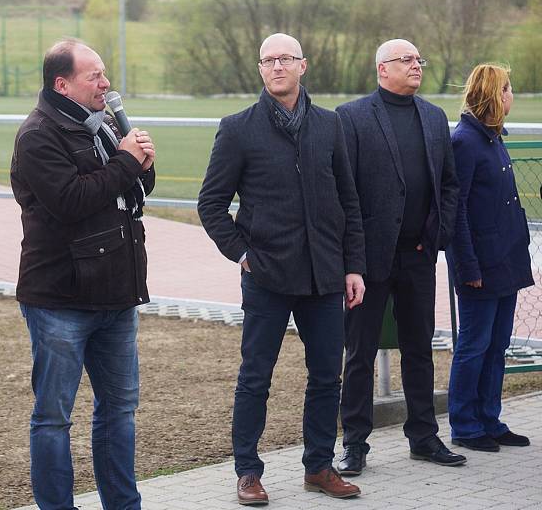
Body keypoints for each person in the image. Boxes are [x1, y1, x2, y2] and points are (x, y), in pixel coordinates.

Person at [198, 33, 366, 504]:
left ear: (302, 66)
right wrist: (244, 254)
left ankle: (319, 467)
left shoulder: (329, 126)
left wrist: (354, 267)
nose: (276, 67)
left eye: (285, 59)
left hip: (325, 276)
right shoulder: (237, 128)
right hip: (267, 277)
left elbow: (349, 202)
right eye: (268, 60)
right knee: (255, 376)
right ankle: (248, 473)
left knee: (326, 375)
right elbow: (211, 204)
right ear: (260, 69)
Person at [10, 39, 155, 510]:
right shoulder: (38, 135)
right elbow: (71, 200)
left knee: (120, 412)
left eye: (105, 74)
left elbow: (131, 184)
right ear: (62, 84)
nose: (106, 84)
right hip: (59, 301)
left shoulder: (104, 124)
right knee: (53, 418)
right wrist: (127, 161)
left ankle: (123, 504)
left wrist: (140, 163)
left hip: (115, 295)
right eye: (95, 76)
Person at [336, 39, 463, 475]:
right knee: (359, 352)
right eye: (406, 60)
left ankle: (424, 437)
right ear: (381, 69)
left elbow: (448, 184)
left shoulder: (433, 117)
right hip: (368, 261)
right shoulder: (352, 117)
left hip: (418, 255)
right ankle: (354, 444)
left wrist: (438, 235)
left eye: (418, 60)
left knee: (419, 348)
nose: (415, 66)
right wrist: (350, 258)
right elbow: (343, 191)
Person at [445, 64, 533, 452]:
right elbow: (456, 210)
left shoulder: (493, 138)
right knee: (474, 345)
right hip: (480, 265)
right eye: (507, 89)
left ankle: (490, 419)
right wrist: (467, 266)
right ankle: (465, 425)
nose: (511, 95)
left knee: (497, 345)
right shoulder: (465, 141)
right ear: (492, 96)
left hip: (506, 261)